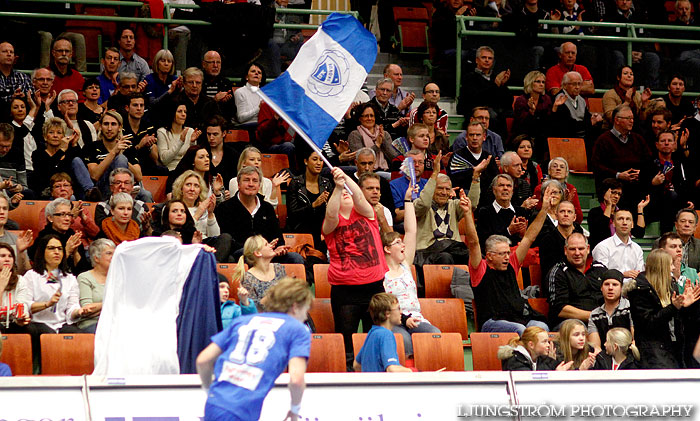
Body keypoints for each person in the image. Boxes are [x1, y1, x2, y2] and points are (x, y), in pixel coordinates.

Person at [196, 277, 311, 421]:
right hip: (242, 411)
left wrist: (209, 390)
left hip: (213, 405)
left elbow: (203, 360)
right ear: (295, 307)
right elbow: (296, 380)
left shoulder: (243, 321)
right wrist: (295, 411)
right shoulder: (297, 329)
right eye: (306, 308)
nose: (306, 315)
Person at [465, 184, 554, 333]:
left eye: (508, 253)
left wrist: (544, 209)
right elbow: (473, 242)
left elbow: (529, 237)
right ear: (489, 256)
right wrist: (468, 214)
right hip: (491, 322)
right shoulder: (480, 268)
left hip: (517, 317)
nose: (507, 257)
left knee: (541, 327)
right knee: (520, 329)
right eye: (502, 254)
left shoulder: (511, 264)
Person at [323, 167, 388, 369]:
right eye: (342, 195)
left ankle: (374, 373)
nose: (347, 195)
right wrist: (338, 187)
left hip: (374, 288)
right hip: (345, 290)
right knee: (347, 340)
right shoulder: (330, 223)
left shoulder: (367, 214)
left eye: (347, 193)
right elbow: (331, 215)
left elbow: (359, 197)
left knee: (375, 336)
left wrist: (344, 177)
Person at [383, 183, 441, 356]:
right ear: (387, 249)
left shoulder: (405, 265)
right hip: (393, 321)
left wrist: (408, 200)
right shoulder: (380, 272)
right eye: (397, 243)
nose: (403, 244)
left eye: (401, 242)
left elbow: (411, 231)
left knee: (434, 334)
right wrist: (403, 319)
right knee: (403, 342)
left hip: (416, 319)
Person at [25, 235, 96, 370]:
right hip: (38, 323)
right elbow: (26, 305)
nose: (57, 252)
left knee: (82, 337)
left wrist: (78, 311)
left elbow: (71, 307)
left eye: (59, 249)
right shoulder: (31, 276)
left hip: (61, 323)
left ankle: (78, 375)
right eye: (51, 248)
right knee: (49, 338)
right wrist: (47, 304)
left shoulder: (69, 278)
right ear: (42, 252)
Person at [625, 249, 700, 368]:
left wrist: (687, 306)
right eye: (670, 264)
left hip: (675, 347)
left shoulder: (671, 285)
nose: (673, 268)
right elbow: (649, 323)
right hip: (652, 351)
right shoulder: (640, 290)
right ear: (662, 267)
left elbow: (681, 319)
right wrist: (673, 307)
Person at [216, 166, 302, 264]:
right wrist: (259, 249)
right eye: (246, 180)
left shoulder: (267, 208)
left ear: (259, 185)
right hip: (242, 254)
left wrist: (279, 248)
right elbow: (228, 240)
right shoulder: (226, 207)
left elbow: (278, 237)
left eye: (255, 181)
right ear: (239, 184)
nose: (251, 184)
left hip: (268, 252)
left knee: (295, 258)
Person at [414, 152, 483, 265]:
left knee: (476, 256)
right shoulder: (420, 205)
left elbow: (472, 205)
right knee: (446, 258)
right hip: (428, 252)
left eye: (447, 189)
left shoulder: (454, 205)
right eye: (440, 188)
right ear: (432, 189)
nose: (444, 193)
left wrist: (475, 177)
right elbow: (425, 203)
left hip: (454, 249)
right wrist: (435, 172)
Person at [591, 104, 652, 210]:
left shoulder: (638, 139)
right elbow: (597, 166)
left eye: (632, 118)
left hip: (637, 185)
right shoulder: (603, 140)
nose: (632, 121)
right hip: (614, 186)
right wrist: (618, 175)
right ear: (617, 120)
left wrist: (640, 173)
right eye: (628, 118)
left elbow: (649, 162)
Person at [547, 232, 606, 330]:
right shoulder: (558, 272)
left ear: (588, 249)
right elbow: (560, 309)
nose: (577, 253)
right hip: (570, 323)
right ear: (565, 250)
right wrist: (594, 316)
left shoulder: (600, 269)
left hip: (600, 320)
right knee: (578, 327)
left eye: (581, 249)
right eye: (572, 249)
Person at [78, 110, 143, 198]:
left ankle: (123, 195)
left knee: (146, 194)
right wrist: (113, 153)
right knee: (120, 158)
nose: (109, 128)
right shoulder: (91, 147)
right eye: (106, 124)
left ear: (120, 127)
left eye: (113, 124)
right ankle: (120, 197)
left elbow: (138, 177)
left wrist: (120, 154)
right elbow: (95, 176)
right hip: (102, 189)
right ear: (100, 126)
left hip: (126, 189)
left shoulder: (128, 147)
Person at [171, 169, 231, 262]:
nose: (192, 189)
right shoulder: (175, 208)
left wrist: (210, 214)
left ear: (200, 190)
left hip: (206, 244)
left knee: (226, 239)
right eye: (188, 185)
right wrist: (198, 214)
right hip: (188, 244)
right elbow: (181, 233)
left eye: (196, 186)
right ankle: (211, 266)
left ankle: (211, 265)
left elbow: (215, 236)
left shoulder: (203, 208)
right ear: (181, 188)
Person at [644, 130, 694, 232]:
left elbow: (686, 186)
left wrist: (689, 201)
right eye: (663, 141)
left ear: (675, 144)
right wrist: (652, 183)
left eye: (670, 141)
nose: (666, 143)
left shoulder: (679, 163)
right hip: (654, 204)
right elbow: (640, 189)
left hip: (676, 204)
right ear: (657, 145)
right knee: (670, 197)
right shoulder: (647, 164)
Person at [353, 293, 413, 372]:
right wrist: (415, 372)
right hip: (382, 384)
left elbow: (356, 365)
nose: (401, 312)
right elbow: (392, 369)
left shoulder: (372, 333)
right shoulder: (386, 335)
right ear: (387, 313)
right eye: (398, 308)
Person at [287, 149, 332, 251]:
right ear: (306, 161)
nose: (318, 163)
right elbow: (292, 214)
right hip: (300, 229)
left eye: (321, 160)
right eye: (315, 159)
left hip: (322, 231)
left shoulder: (327, 184)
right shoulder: (296, 183)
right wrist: (313, 205)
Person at [232, 234, 289, 312]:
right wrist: (274, 293)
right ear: (258, 253)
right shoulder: (248, 278)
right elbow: (253, 310)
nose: (271, 246)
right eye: (266, 244)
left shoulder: (279, 268)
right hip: (263, 320)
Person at [587, 178, 647, 250]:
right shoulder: (594, 212)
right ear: (604, 193)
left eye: (619, 194)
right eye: (613, 192)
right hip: (602, 253)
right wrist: (609, 205)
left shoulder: (623, 213)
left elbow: (639, 233)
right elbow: (601, 232)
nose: (616, 196)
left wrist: (640, 209)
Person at [475, 174, 531, 251]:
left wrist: (523, 235)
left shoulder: (521, 211)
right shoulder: (485, 212)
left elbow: (530, 242)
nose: (505, 188)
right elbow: (484, 241)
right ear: (494, 190)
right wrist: (509, 231)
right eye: (501, 185)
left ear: (512, 190)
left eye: (508, 186)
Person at [33, 198, 89, 274]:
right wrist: (67, 251)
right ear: (50, 218)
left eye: (69, 215)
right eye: (62, 214)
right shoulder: (44, 237)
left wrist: (75, 252)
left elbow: (82, 270)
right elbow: (45, 269)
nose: (67, 219)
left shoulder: (72, 235)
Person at [539, 202, 587, 290]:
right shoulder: (547, 239)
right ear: (556, 216)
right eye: (562, 211)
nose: (566, 214)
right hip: (557, 283)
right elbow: (548, 270)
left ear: (574, 217)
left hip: (579, 282)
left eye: (569, 212)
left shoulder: (580, 237)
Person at [448, 121, 500, 196]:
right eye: (471, 135)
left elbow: (494, 182)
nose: (474, 138)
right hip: (463, 199)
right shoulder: (457, 157)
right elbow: (454, 183)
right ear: (466, 137)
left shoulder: (489, 157)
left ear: (484, 137)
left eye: (478, 135)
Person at [587, 269, 633, 352]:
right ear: (601, 288)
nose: (610, 288)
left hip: (629, 356)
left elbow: (634, 340)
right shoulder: (594, 315)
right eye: (606, 284)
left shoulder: (631, 309)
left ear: (621, 288)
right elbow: (596, 348)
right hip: (605, 358)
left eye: (615, 285)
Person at [551, 71, 604, 143]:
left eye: (579, 84)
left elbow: (587, 118)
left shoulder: (581, 99)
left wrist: (595, 117)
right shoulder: (559, 99)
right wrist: (589, 122)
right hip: (566, 138)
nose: (577, 87)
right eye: (574, 84)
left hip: (581, 135)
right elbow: (567, 125)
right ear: (565, 85)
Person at [592, 208, 645, 278]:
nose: (624, 223)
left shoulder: (637, 249)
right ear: (613, 223)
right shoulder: (602, 247)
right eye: (620, 219)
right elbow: (600, 276)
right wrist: (622, 275)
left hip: (634, 287)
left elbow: (640, 274)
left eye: (628, 219)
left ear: (632, 224)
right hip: (611, 287)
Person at [511, 71, 553, 160]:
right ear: (530, 82)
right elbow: (521, 124)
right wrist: (531, 112)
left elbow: (548, 121)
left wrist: (555, 108)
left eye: (543, 82)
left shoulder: (546, 99)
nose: (541, 84)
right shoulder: (521, 100)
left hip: (540, 133)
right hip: (523, 133)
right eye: (538, 81)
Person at [348, 102, 399, 174]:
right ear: (360, 118)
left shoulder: (385, 134)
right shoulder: (355, 134)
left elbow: (394, 158)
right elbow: (361, 157)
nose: (369, 118)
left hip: (386, 170)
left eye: (372, 116)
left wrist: (383, 141)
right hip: (365, 172)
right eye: (366, 116)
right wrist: (377, 145)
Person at [77, 238, 114, 333]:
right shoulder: (84, 278)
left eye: (115, 253)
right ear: (96, 258)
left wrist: (99, 307)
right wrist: (111, 304)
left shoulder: (118, 278)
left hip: (115, 322)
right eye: (109, 253)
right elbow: (87, 309)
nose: (114, 257)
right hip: (92, 324)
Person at [533, 157, 583, 223]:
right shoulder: (540, 188)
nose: (558, 169)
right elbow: (537, 212)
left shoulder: (570, 188)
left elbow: (579, 218)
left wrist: (568, 203)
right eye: (555, 166)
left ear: (566, 173)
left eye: (562, 167)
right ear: (549, 171)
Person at [497, 326, 571, 371]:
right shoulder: (515, 360)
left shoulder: (543, 358)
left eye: (548, 341)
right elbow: (528, 381)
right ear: (531, 345)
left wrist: (579, 370)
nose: (548, 345)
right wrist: (555, 375)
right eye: (544, 342)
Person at [157, 102, 201, 172]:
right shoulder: (162, 132)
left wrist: (192, 143)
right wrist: (180, 141)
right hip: (170, 171)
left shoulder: (190, 131)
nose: (183, 114)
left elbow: (192, 159)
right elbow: (164, 160)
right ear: (172, 113)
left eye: (185, 112)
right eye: (180, 111)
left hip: (188, 171)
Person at [0, 243, 31, 333]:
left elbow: (22, 303)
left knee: (31, 329)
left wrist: (21, 317)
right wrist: (1, 287)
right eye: (2, 256)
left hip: (12, 322)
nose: (7, 259)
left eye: (10, 256)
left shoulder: (20, 280)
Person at [205, 115, 241, 189]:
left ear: (224, 133)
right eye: (209, 134)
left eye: (215, 134)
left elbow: (238, 179)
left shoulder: (233, 155)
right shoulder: (200, 152)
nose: (211, 138)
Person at [8, 95, 39, 175]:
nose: (20, 110)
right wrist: (33, 108)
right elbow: (22, 131)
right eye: (16, 107)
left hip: (34, 170)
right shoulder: (10, 129)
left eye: (23, 107)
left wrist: (36, 107)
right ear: (10, 112)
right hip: (18, 171)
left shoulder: (31, 129)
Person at [47, 38, 85, 102]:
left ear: (71, 54)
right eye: (60, 51)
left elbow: (81, 101)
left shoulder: (78, 77)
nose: (64, 54)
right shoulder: (44, 76)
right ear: (53, 53)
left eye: (67, 51)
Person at [202, 51, 235, 121]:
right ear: (204, 64)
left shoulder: (226, 83)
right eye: (212, 62)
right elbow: (198, 109)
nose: (215, 66)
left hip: (221, 123)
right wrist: (215, 100)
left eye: (218, 62)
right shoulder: (198, 82)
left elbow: (233, 112)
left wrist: (226, 102)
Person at [0, 42, 33, 106]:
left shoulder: (23, 77)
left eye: (11, 52)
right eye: (4, 51)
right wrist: (11, 98)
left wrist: (24, 97)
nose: (9, 54)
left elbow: (32, 97)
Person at [513, 135, 542, 201]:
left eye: (529, 147)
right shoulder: (510, 165)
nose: (526, 149)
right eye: (522, 147)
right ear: (516, 149)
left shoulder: (535, 166)